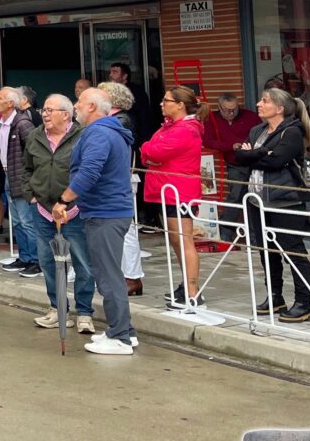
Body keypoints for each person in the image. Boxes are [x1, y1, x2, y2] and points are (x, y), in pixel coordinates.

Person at [53, 88, 137, 356]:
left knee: (108, 276)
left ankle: (121, 336)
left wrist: (64, 200)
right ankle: (123, 331)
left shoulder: (99, 133)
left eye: (78, 102)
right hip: (108, 210)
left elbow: (90, 172)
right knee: (108, 273)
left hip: (106, 212)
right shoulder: (108, 131)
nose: (75, 106)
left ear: (91, 106)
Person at [230, 88, 310, 323]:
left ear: (279, 108)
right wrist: (258, 153)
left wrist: (253, 154)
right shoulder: (256, 130)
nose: (259, 104)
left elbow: (276, 160)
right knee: (266, 251)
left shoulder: (291, 132)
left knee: (292, 251)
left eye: (265, 101)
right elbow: (239, 157)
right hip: (257, 200)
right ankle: (275, 295)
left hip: (285, 200)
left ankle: (303, 303)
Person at [22, 94, 94, 331]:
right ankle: (58, 308)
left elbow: (89, 171)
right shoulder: (35, 135)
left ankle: (84, 312)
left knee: (82, 261)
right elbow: (26, 168)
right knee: (49, 261)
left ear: (66, 114)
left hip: (74, 209)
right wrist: (30, 195)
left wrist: (76, 201)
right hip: (42, 208)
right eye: (44, 109)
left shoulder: (83, 135)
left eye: (50, 110)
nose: (44, 113)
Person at [141, 85, 206, 309]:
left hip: (180, 192)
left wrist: (149, 151)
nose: (162, 104)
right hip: (167, 189)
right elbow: (149, 149)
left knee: (184, 239)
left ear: (180, 105)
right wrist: (149, 150)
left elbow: (154, 151)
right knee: (176, 240)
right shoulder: (171, 127)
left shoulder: (185, 129)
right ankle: (186, 285)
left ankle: (192, 291)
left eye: (166, 100)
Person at [99, 80, 145, 297]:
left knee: (127, 229)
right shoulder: (114, 119)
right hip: (115, 180)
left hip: (121, 180)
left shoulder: (121, 119)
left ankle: (132, 276)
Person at [0, 87, 38, 274]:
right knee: (17, 222)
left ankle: (36, 260)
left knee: (27, 221)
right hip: (8, 175)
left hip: (21, 177)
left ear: (11, 103)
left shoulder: (22, 124)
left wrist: (29, 179)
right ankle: (25, 257)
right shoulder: (0, 123)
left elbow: (34, 152)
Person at [202, 94, 261, 172]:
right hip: (234, 164)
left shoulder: (251, 116)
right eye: (228, 110)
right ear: (219, 107)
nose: (232, 113)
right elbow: (207, 141)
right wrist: (230, 146)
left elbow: (262, 136)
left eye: (235, 109)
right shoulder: (211, 119)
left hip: (255, 161)